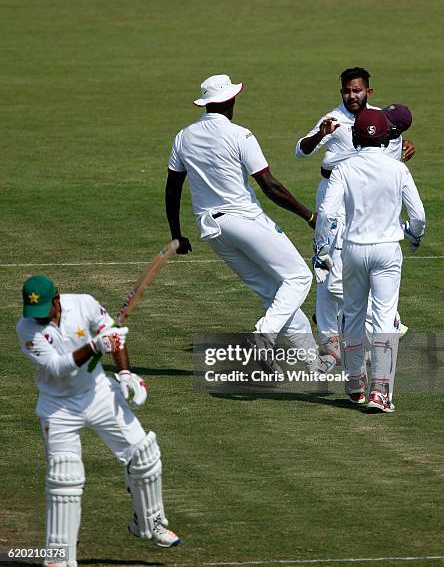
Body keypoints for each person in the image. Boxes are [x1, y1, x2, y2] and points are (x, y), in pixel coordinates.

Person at [165, 73, 335, 373]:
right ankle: (263, 335)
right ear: (230, 100)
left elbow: (173, 187)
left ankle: (311, 362)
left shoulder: (184, 136)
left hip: (211, 230)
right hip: (243, 220)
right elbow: (270, 186)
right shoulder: (240, 134)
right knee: (299, 278)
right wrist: (309, 215)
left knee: (275, 293)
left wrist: (177, 234)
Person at [16, 275, 180, 567]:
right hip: (58, 409)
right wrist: (95, 346)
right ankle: (59, 556)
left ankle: (149, 522)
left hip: (98, 393)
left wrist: (126, 373)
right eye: (34, 314)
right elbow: (57, 367)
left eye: (44, 312)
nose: (39, 319)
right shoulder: (26, 328)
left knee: (144, 456)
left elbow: (113, 335)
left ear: (57, 299)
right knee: (64, 478)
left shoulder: (84, 304)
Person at [295, 67, 415, 359]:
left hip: (362, 198)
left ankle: (380, 321)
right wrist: (320, 135)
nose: (351, 96)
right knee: (329, 263)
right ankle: (331, 332)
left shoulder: (379, 118)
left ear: (368, 92)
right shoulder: (332, 118)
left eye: (357, 90)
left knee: (362, 258)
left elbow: (384, 157)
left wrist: (402, 151)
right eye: (347, 91)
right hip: (333, 194)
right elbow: (301, 150)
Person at [314, 109, 425, 411]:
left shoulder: (343, 170)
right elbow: (418, 217)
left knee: (352, 313)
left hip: (353, 249)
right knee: (385, 317)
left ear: (355, 136)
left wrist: (322, 250)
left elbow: (326, 213)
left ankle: (353, 381)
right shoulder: (397, 168)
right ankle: (380, 392)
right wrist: (413, 235)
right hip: (388, 249)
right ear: (387, 137)